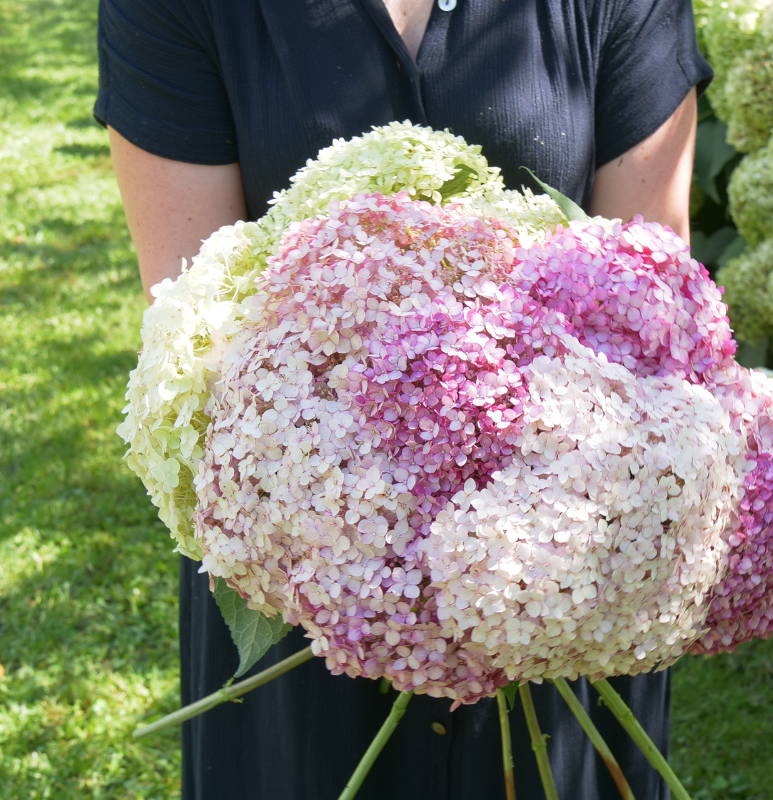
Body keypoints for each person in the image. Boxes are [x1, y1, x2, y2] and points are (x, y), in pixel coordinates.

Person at [96, 1, 711, 797]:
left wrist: (519, 542)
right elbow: (197, 326)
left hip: (558, 560)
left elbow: (650, 315)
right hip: (301, 574)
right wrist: (376, 581)